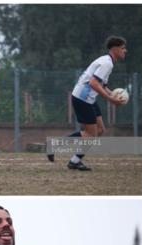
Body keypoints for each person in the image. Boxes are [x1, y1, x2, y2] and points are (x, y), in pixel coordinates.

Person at [47, 36, 127, 171]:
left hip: (89, 98)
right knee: (91, 135)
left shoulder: (107, 62)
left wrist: (113, 94)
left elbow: (102, 85)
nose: (125, 51)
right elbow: (93, 83)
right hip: (82, 98)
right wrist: (110, 99)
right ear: (115, 49)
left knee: (99, 131)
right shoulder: (106, 63)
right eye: (123, 48)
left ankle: (74, 161)